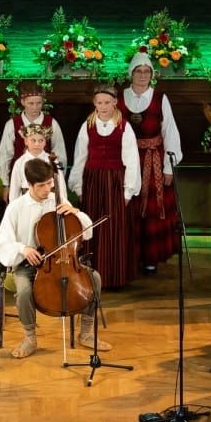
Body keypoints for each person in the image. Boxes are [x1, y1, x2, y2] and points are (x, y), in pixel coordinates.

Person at [0, 158, 111, 359]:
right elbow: (2, 245)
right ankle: (29, 338)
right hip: (27, 266)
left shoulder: (58, 201)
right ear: (29, 185)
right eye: (42, 185)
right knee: (23, 291)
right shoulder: (16, 208)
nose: (48, 189)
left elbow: (88, 231)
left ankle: (86, 332)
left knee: (95, 279)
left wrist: (75, 213)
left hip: (62, 261)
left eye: (50, 183)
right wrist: (23, 248)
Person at [68, 83, 141, 290]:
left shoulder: (124, 127)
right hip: (92, 181)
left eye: (107, 102)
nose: (103, 106)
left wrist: (128, 190)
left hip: (115, 181)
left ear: (115, 103)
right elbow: (80, 157)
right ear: (94, 103)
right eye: (99, 102)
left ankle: (114, 277)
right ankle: (91, 275)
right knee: (92, 227)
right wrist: (78, 186)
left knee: (113, 227)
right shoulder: (87, 126)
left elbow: (131, 160)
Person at [121, 53, 183, 276]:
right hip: (126, 161)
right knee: (130, 208)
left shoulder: (160, 98)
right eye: (139, 71)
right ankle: (129, 254)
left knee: (152, 212)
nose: (143, 75)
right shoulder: (119, 97)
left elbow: (170, 133)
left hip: (153, 160)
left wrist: (168, 166)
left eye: (147, 71)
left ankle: (150, 258)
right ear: (131, 73)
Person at [0, 81, 68, 203]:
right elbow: (5, 155)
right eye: (31, 103)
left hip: (46, 188)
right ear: (23, 102)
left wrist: (57, 183)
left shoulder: (51, 123)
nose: (35, 107)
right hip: (21, 183)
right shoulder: (12, 124)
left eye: (38, 103)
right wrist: (6, 184)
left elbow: (60, 154)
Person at [8, 123, 68, 203]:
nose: (37, 144)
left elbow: (61, 187)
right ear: (26, 141)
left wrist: (63, 205)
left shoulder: (52, 161)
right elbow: (14, 190)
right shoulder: (19, 163)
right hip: (27, 204)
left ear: (45, 142)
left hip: (48, 203)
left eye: (41, 140)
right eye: (33, 140)